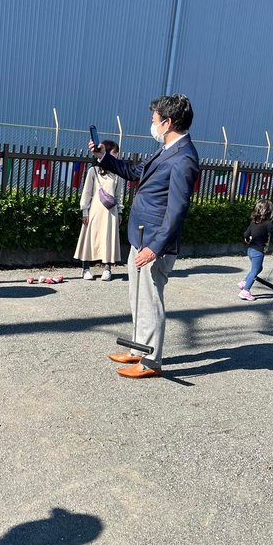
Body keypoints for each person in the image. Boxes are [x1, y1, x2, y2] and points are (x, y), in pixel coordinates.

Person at [89, 94, 199, 379]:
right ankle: (139, 349)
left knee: (151, 301)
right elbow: (135, 172)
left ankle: (151, 362)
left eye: (154, 119)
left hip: (154, 243)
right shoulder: (167, 150)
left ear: (167, 122)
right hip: (141, 236)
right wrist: (103, 156)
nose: (152, 124)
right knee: (138, 297)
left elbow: (177, 210)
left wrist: (155, 247)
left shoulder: (184, 158)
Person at [74, 140, 123, 281]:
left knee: (109, 238)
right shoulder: (93, 171)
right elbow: (87, 192)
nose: (115, 156)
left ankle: (107, 268)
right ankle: (85, 268)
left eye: (116, 154)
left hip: (111, 211)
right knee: (90, 237)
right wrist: (85, 211)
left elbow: (119, 194)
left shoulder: (118, 173)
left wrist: (120, 211)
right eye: (113, 153)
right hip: (95, 209)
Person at [239, 199, 273, 301]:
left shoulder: (253, 222)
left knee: (258, 268)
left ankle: (244, 282)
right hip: (258, 252)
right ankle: (245, 291)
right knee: (255, 271)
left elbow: (246, 234)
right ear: (269, 212)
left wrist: (247, 239)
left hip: (250, 250)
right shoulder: (268, 224)